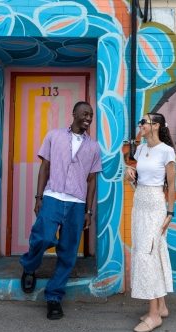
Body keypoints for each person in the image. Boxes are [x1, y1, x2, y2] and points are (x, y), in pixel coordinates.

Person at [19, 101, 102, 320]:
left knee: (68, 250)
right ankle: (30, 266)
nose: (88, 118)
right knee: (43, 236)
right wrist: (39, 197)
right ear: (74, 113)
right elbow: (44, 167)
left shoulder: (93, 146)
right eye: (85, 113)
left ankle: (54, 297)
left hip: (77, 202)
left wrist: (88, 211)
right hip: (53, 196)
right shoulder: (54, 136)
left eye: (91, 115)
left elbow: (92, 180)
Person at [124, 113, 176, 332]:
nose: (140, 125)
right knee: (146, 252)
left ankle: (154, 315)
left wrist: (170, 213)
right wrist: (129, 172)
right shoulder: (142, 149)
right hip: (140, 203)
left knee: (148, 256)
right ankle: (161, 306)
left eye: (143, 122)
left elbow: (171, 185)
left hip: (155, 205)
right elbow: (142, 178)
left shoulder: (166, 151)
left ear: (156, 125)